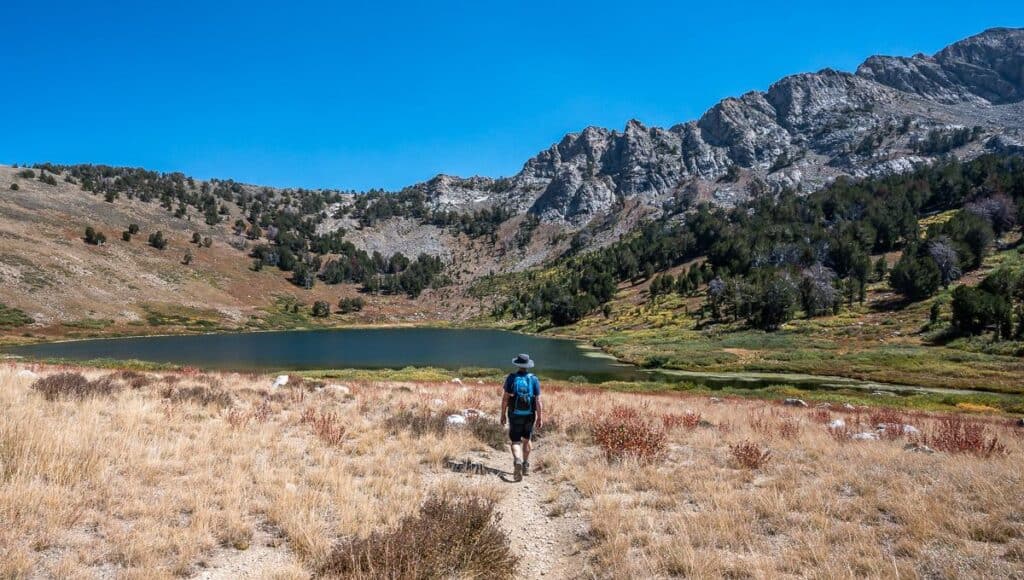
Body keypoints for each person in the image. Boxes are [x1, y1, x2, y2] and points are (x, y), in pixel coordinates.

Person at [501, 353, 543, 482]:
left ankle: (517, 460)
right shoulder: (533, 379)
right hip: (530, 414)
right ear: (527, 365)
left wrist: (502, 414)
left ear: (517, 364)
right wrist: (540, 417)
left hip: (514, 414)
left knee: (515, 441)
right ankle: (525, 465)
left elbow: (505, 398)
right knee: (527, 439)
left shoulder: (511, 378)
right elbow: (538, 401)